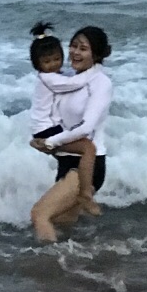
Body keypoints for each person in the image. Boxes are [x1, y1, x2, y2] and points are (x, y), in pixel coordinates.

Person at [29, 26, 113, 243]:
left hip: (87, 166)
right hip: (65, 161)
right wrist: (49, 145)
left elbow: (86, 128)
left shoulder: (101, 83)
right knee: (62, 225)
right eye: (73, 46)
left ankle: (47, 261)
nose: (75, 52)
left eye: (83, 48)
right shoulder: (68, 79)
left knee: (40, 215)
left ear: (96, 54)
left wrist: (50, 142)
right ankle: (77, 262)